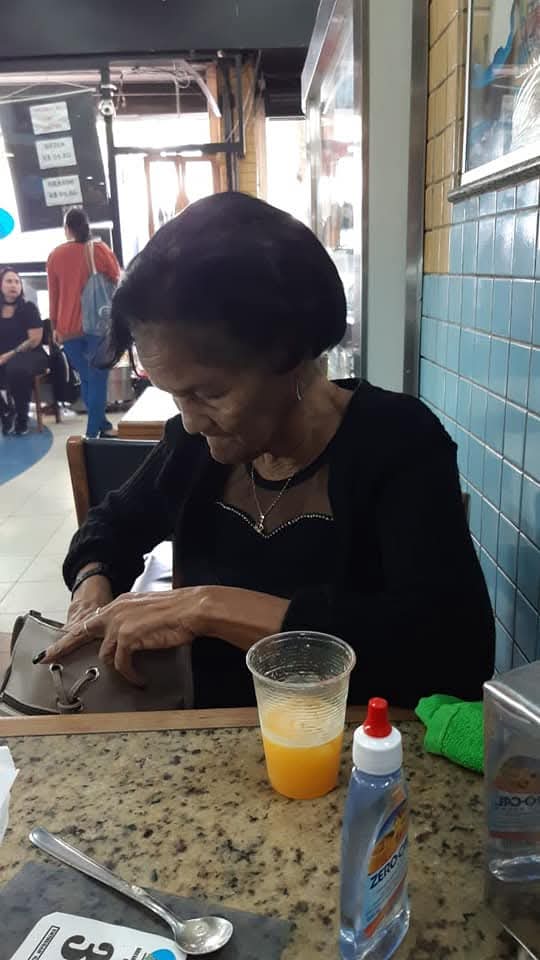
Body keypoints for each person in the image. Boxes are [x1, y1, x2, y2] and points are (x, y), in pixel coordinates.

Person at [41, 192, 495, 709]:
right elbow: (111, 526)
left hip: (349, 739)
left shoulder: (397, 441)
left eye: (209, 393)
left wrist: (209, 608)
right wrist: (92, 586)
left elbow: (454, 652)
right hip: (209, 737)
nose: (190, 420)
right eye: (175, 395)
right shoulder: (191, 445)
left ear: (291, 354)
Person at [47, 207, 121, 438]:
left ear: (67, 229)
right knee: (97, 378)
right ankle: (91, 435)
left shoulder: (55, 255)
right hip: (97, 325)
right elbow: (117, 281)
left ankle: (103, 426)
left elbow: (53, 295)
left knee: (89, 378)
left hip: (67, 329)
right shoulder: (100, 250)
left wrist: (54, 326)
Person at [0, 267, 48, 436]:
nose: (14, 285)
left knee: (15, 368)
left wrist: (8, 355)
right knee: (10, 366)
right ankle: (6, 411)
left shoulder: (28, 308)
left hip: (31, 354)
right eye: (9, 281)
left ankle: (22, 417)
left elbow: (34, 339)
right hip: (4, 357)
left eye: (17, 282)